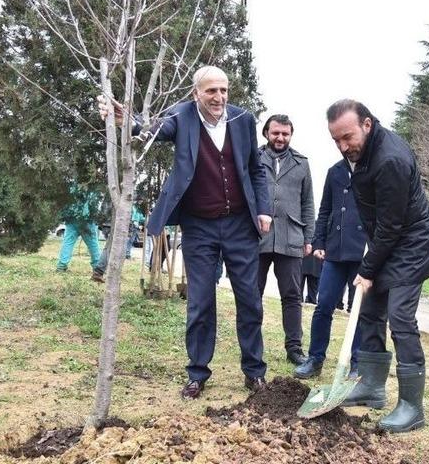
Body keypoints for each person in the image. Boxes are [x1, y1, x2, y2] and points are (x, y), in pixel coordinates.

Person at [98, 65, 272, 400]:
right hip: (200, 225)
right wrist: (126, 119)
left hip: (239, 224)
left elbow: (255, 168)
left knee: (250, 300)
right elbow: (152, 129)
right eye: (211, 91)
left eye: (223, 90)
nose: (219, 97)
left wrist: (263, 208)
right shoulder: (182, 116)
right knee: (201, 302)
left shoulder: (243, 120)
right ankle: (197, 373)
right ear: (196, 93)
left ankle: (254, 372)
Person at [325, 99, 429, 433]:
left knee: (401, 318)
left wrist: (366, 269)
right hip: (387, 241)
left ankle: (411, 406)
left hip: (411, 245)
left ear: (366, 123)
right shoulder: (360, 153)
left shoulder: (389, 159)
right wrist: (372, 263)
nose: (343, 146)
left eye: (347, 137)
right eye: (336, 140)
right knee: (371, 310)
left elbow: (391, 226)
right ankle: (372, 386)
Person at [294, 159, 367, 380]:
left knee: (359, 311)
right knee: (323, 306)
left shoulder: (373, 168)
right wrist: (319, 242)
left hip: (362, 253)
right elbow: (325, 209)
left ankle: (357, 364)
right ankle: (315, 359)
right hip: (335, 252)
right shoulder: (335, 171)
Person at [256, 114, 315, 365]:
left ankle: (294, 348)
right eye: (275, 133)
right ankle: (252, 347)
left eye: (285, 134)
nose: (280, 138)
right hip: (256, 238)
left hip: (291, 238)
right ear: (266, 133)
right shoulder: (253, 158)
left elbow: (308, 202)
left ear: (291, 135)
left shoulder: (302, 163)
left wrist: (309, 237)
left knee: (292, 296)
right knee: (251, 294)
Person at [56, 183, 102, 274]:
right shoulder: (92, 185)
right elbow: (94, 203)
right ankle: (97, 268)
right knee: (93, 244)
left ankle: (61, 266)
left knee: (67, 243)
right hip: (87, 220)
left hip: (72, 218)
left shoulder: (72, 185)